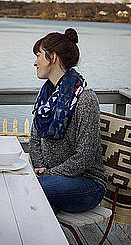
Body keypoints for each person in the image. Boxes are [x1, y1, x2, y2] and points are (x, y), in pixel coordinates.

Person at [29, 28, 107, 214]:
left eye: (39, 55)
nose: (35, 62)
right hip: (49, 178)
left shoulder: (85, 99)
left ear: (52, 57)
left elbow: (85, 157)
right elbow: (34, 139)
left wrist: (47, 174)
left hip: (87, 184)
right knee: (40, 205)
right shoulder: (45, 95)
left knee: (30, 189)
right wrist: (40, 166)